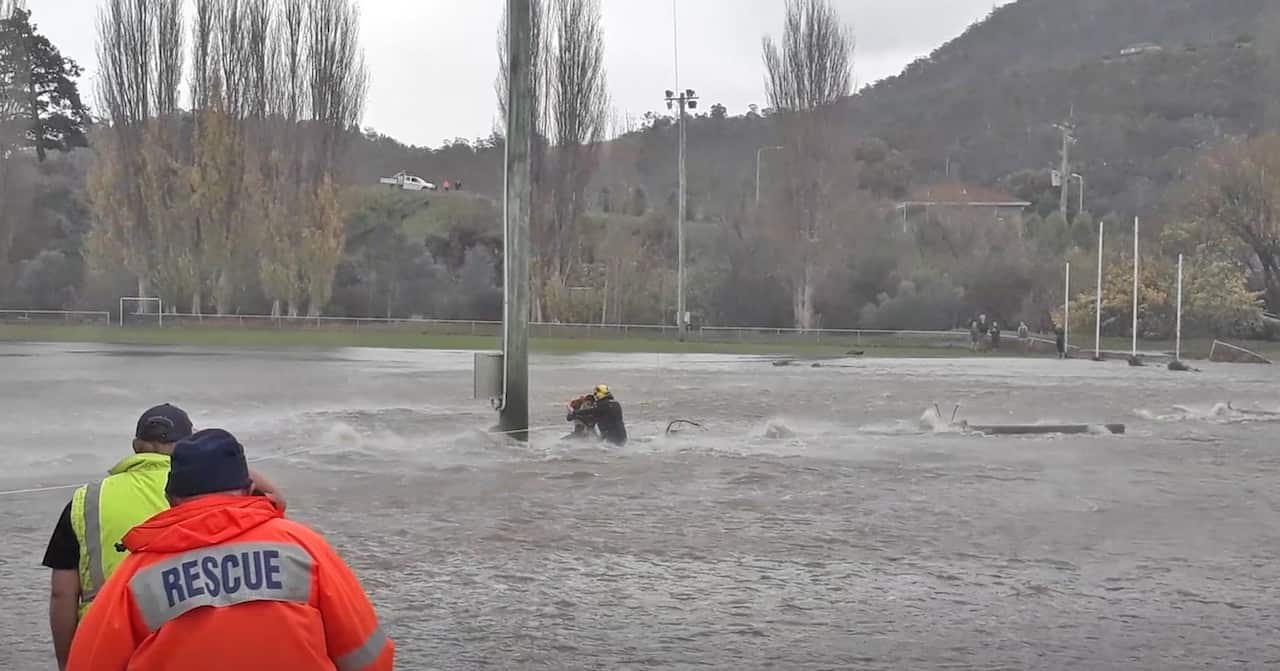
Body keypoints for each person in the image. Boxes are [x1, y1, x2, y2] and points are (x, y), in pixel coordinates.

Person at [66, 429, 393, 671]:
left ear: (170, 500)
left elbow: (87, 663)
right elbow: (369, 657)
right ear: (250, 490)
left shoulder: (135, 577)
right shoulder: (304, 549)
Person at [43, 404, 283, 671]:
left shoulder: (87, 500)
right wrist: (230, 465)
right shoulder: (209, 492)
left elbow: (62, 593)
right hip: (191, 637)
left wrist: (67, 662)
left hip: (104, 641)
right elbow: (275, 505)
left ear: (136, 445)